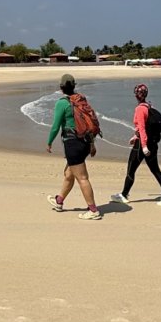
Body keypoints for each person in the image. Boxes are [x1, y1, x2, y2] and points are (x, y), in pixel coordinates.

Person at [46, 73, 103, 220]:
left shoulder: (62, 103)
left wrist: (49, 142)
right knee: (69, 174)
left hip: (73, 144)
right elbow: (88, 122)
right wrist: (91, 144)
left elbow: (55, 126)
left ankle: (93, 210)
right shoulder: (80, 100)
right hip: (84, 142)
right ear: (74, 86)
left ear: (61, 88)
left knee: (82, 178)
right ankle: (59, 201)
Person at [110, 84, 161, 207]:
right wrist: (135, 137)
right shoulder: (148, 106)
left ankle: (124, 195)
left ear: (136, 95)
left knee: (131, 169)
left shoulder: (140, 109)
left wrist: (143, 145)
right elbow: (145, 127)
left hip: (143, 145)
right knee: (155, 170)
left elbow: (142, 128)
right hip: (153, 143)